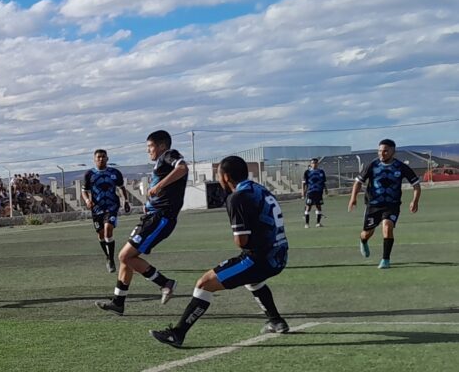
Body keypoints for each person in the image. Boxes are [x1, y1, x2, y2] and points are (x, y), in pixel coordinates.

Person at [150, 156, 289, 347]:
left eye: (218, 174)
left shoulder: (237, 198)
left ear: (225, 177)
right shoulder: (259, 189)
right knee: (252, 281)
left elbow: (242, 241)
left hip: (259, 258)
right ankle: (276, 320)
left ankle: (178, 333)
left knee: (204, 284)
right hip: (280, 255)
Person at [96, 130, 188, 315]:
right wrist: (149, 203)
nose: (148, 151)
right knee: (126, 259)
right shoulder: (161, 164)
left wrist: (158, 186)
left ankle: (165, 283)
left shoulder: (168, 155)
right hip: (152, 216)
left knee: (125, 256)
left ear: (161, 146)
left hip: (161, 218)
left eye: (150, 147)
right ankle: (118, 302)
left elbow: (183, 168)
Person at [348, 139, 421, 269]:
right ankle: (363, 240)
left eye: (386, 151)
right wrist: (353, 198)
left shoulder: (401, 167)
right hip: (373, 205)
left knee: (387, 227)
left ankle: (385, 260)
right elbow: (358, 182)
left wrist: (415, 201)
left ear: (393, 151)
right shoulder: (373, 165)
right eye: (380, 151)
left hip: (392, 205)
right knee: (367, 233)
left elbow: (416, 185)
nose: (382, 153)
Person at [82, 149, 130, 273]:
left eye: (103, 156)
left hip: (112, 206)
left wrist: (125, 201)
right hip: (97, 208)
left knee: (108, 229)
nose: (101, 159)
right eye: (98, 157)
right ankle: (108, 257)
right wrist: (87, 200)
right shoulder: (89, 174)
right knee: (101, 234)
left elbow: (121, 187)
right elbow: (84, 191)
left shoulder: (114, 173)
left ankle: (111, 260)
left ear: (107, 158)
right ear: (94, 159)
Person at [302, 158, 328, 228]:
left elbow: (323, 182)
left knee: (318, 206)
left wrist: (326, 189)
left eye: (316, 163)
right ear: (310, 164)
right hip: (310, 191)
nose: (314, 164)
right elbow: (304, 183)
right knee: (308, 207)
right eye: (313, 163)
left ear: (318, 164)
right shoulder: (307, 172)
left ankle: (318, 223)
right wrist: (303, 191)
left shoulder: (321, 172)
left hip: (319, 192)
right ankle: (307, 224)